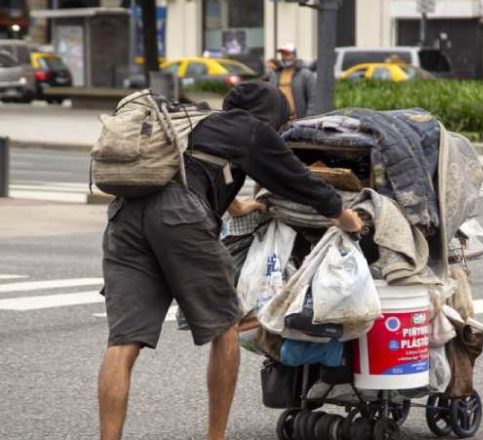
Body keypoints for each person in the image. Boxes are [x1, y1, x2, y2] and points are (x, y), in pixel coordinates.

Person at [97, 82, 363, 440]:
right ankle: (215, 438)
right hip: (178, 217)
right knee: (225, 328)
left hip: (125, 217)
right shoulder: (253, 130)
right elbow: (300, 182)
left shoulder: (198, 122)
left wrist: (238, 206)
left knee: (124, 341)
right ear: (273, 116)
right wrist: (347, 218)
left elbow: (190, 170)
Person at [268, 43, 316, 120]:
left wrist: (308, 118)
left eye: (287, 54)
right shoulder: (275, 74)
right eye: (283, 54)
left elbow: (313, 98)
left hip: (299, 119)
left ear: (294, 55)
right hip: (280, 120)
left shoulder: (305, 74)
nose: (284, 57)